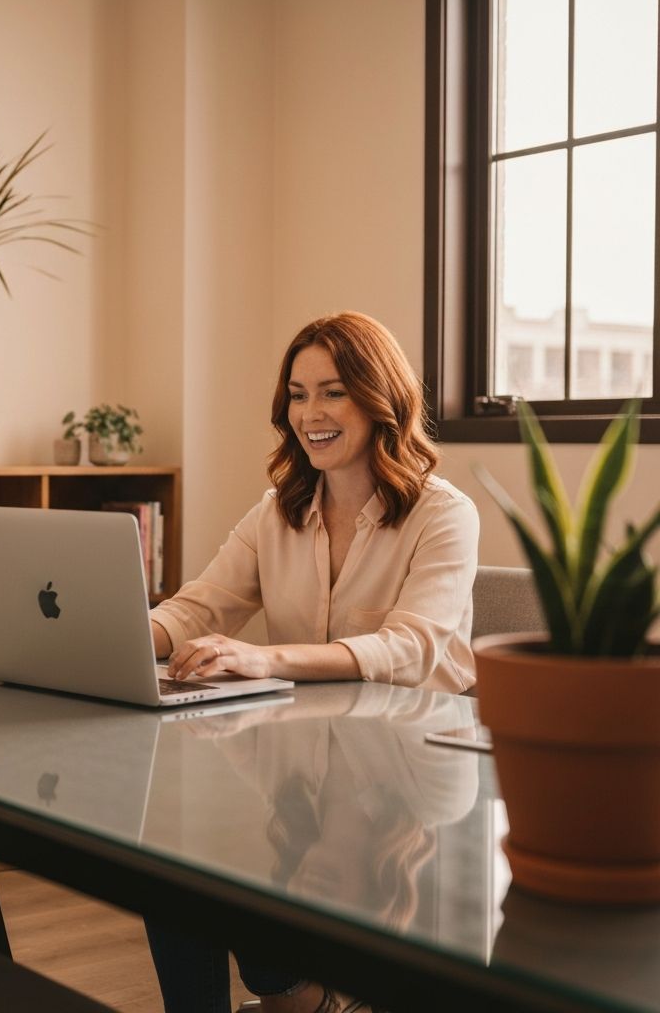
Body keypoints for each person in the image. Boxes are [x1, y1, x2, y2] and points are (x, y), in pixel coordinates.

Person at [144, 311, 480, 1013]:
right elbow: (199, 609)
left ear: (378, 398)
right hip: (305, 765)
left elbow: (409, 647)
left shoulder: (442, 514)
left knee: (218, 870)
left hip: (412, 772)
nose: (310, 413)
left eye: (333, 391)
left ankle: (304, 998)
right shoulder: (277, 512)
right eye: (297, 394)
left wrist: (263, 658)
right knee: (169, 868)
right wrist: (106, 638)